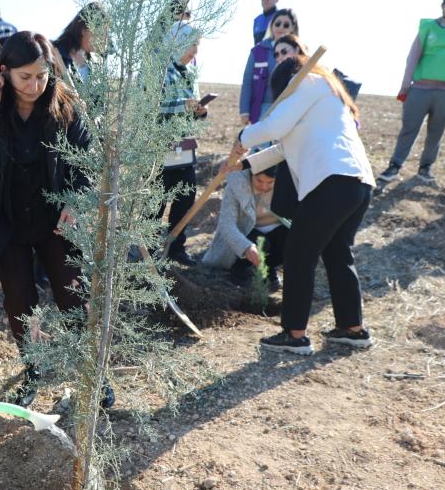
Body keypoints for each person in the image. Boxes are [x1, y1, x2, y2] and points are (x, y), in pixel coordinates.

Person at [0, 31, 114, 408]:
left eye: (42, 75)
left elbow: (86, 158)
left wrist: (75, 199)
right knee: (20, 301)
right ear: (4, 73)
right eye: (25, 77)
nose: (34, 85)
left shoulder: (64, 104)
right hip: (8, 222)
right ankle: (33, 369)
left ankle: (93, 376)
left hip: (55, 221)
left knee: (73, 296)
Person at [234, 54, 375, 355]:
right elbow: (281, 147)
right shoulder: (326, 98)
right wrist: (243, 164)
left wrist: (242, 136)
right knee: (338, 253)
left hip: (331, 184)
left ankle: (294, 334)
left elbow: (273, 126)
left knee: (299, 254)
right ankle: (353, 329)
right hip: (357, 184)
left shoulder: (309, 83)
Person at [376, 0, 445, 190]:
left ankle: (425, 168)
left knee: (436, 131)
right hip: (420, 88)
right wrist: (405, 86)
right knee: (409, 128)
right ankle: (394, 166)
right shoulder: (428, 27)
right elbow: (412, 57)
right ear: (443, 5)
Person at [157, 21, 206, 266]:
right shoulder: (159, 69)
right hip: (160, 144)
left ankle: (176, 246)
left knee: (185, 194)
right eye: (191, 44)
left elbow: (191, 104)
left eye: (197, 45)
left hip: (184, 144)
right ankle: (150, 247)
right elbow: (152, 105)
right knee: (157, 199)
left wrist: (199, 110)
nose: (195, 51)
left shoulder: (189, 72)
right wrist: (182, 106)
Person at [201, 161, 287, 290]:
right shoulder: (237, 185)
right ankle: (240, 269)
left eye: (270, 182)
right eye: (259, 181)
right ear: (251, 174)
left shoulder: (288, 186)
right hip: (246, 233)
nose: (264, 187)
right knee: (261, 242)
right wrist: (245, 246)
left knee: (290, 239)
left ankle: (268, 268)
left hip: (274, 229)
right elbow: (227, 224)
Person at [240, 8, 297, 126]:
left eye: (286, 25)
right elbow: (247, 81)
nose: (281, 27)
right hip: (263, 106)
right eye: (278, 23)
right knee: (262, 142)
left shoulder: (299, 51)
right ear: (271, 26)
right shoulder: (258, 51)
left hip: (290, 107)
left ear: (292, 28)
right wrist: (244, 110)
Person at [53, 2, 106, 84]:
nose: (104, 39)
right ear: (84, 30)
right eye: (100, 33)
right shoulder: (52, 53)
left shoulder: (95, 64)